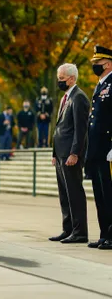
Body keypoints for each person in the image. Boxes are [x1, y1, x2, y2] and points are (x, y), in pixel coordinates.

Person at [50, 63, 89, 244]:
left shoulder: (79, 98)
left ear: (72, 78)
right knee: (64, 193)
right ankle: (68, 229)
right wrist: (54, 152)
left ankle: (79, 232)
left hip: (70, 154)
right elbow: (59, 127)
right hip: (61, 153)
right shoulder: (66, 97)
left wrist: (75, 153)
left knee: (74, 192)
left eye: (61, 79)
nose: (59, 82)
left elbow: (80, 131)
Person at [85, 46, 112, 250]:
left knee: (109, 194)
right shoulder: (100, 85)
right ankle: (104, 234)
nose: (95, 66)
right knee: (100, 195)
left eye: (98, 64)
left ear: (108, 64)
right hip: (97, 149)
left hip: (108, 148)